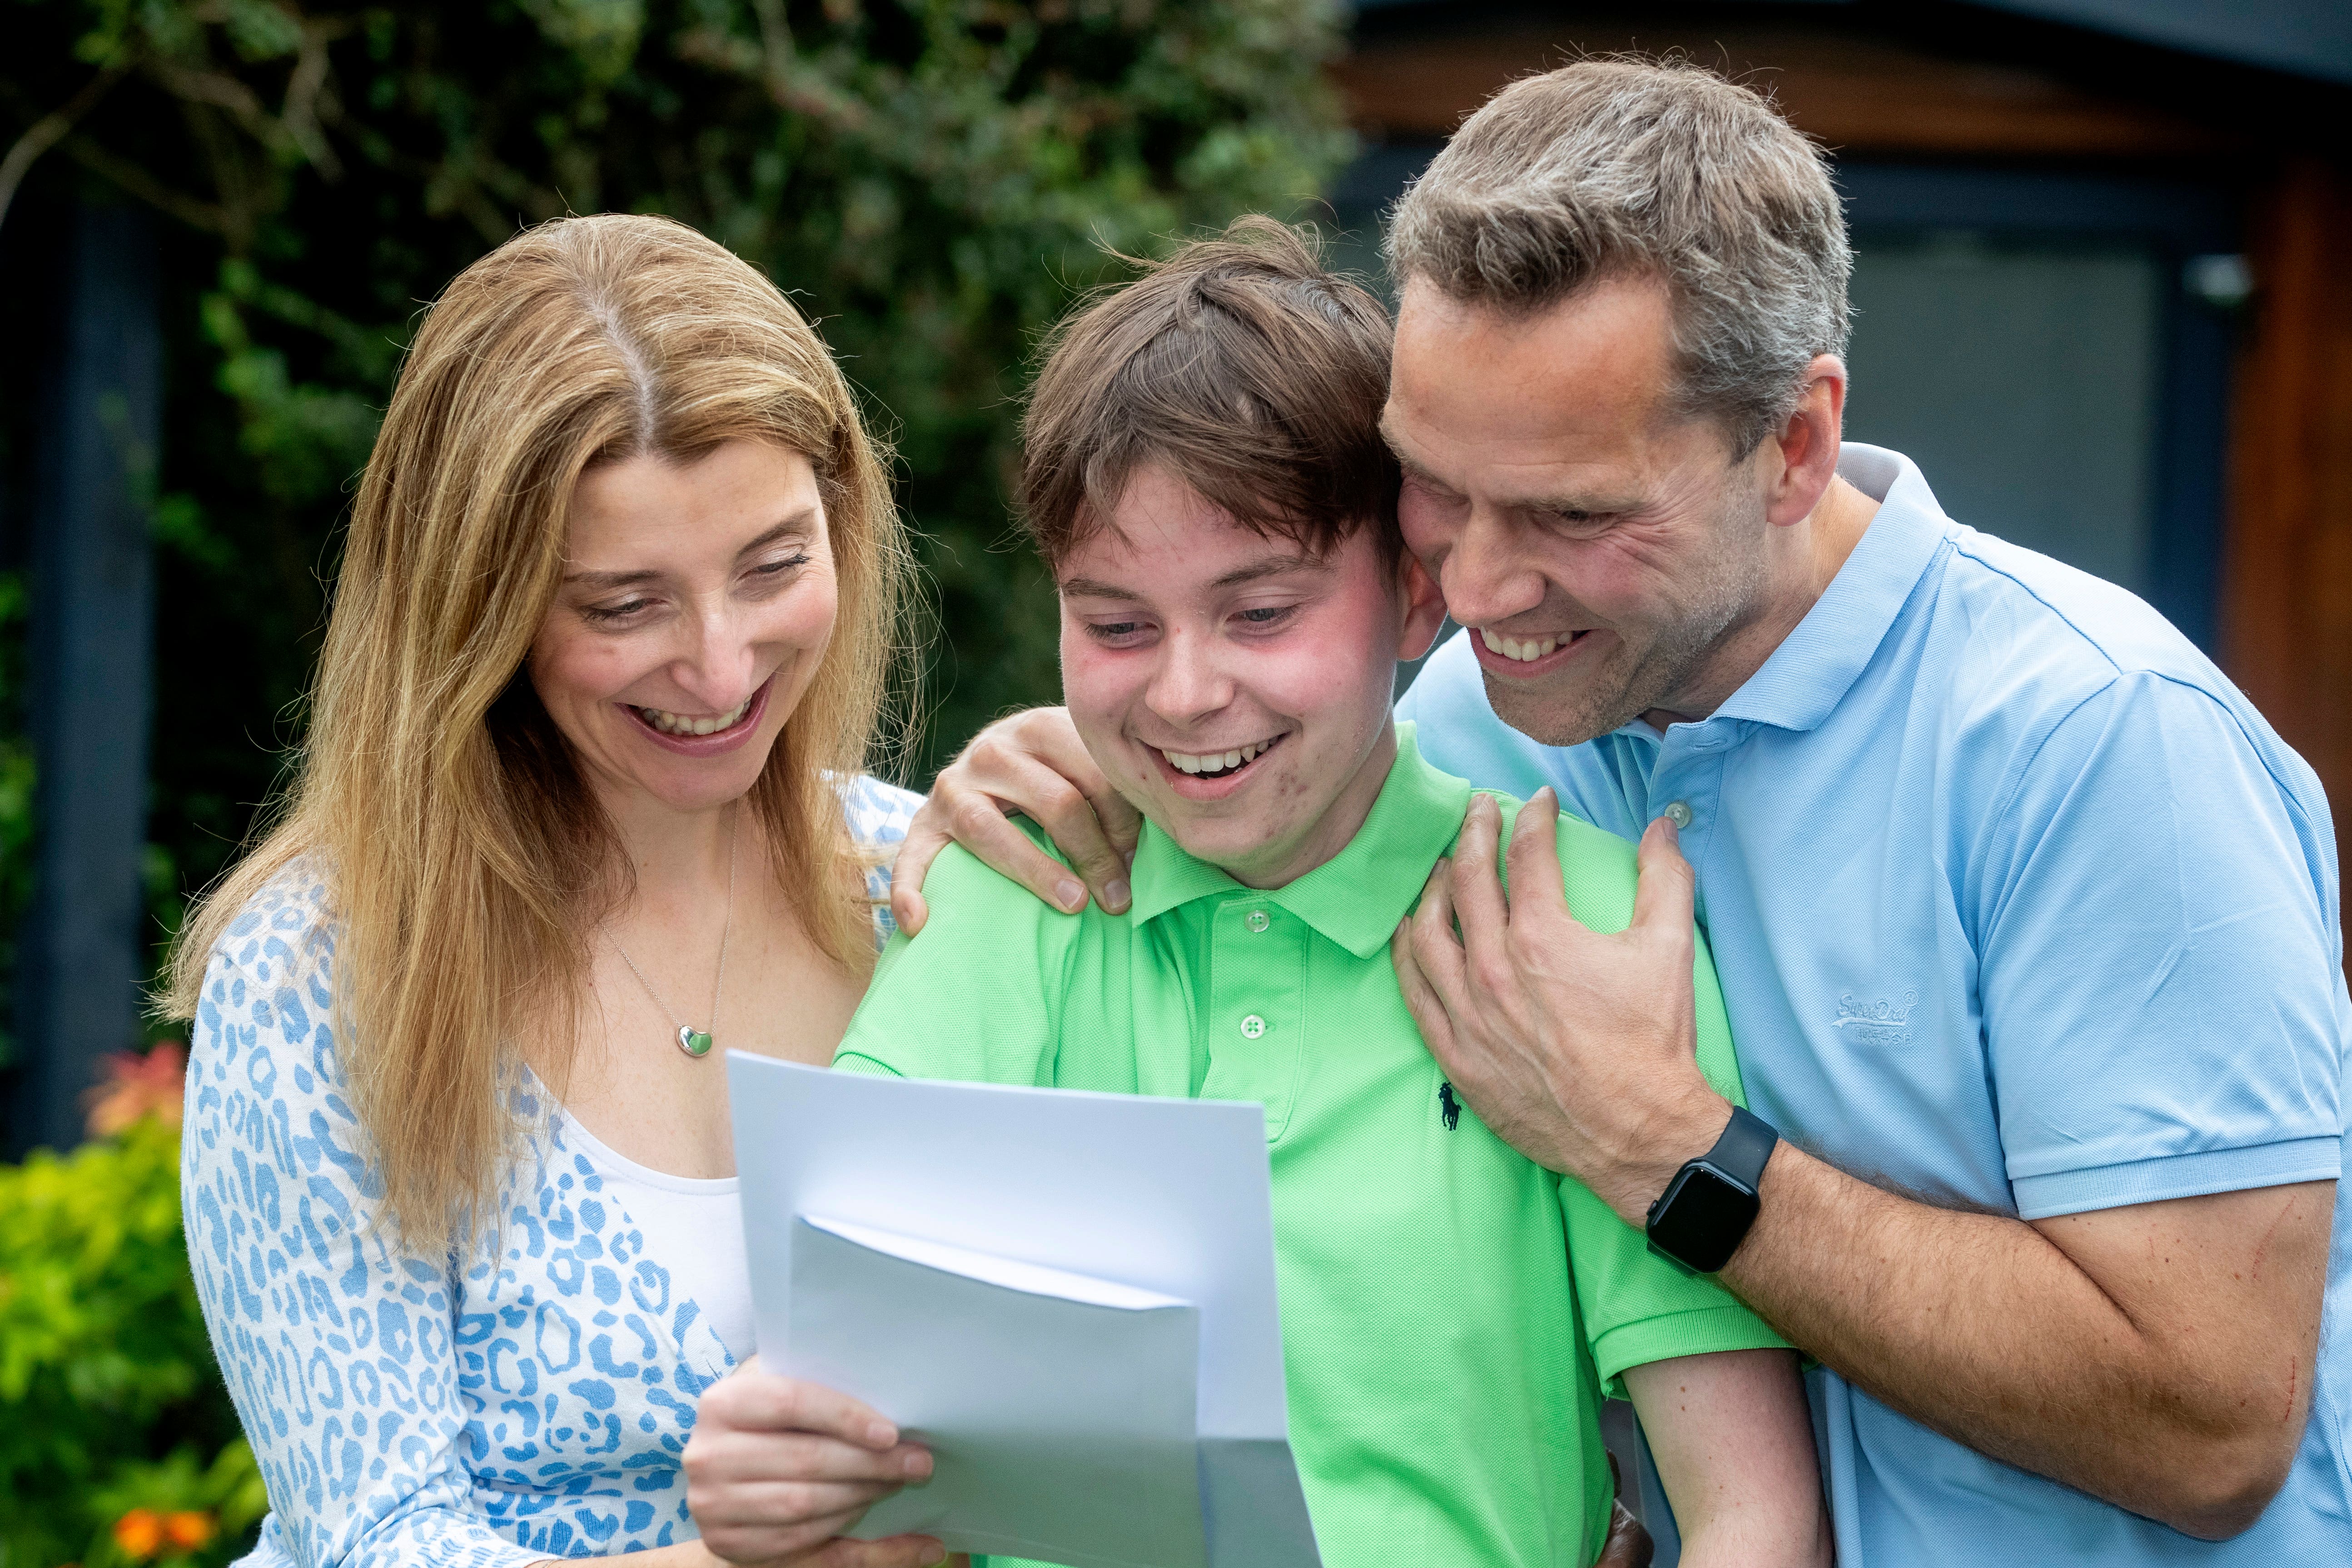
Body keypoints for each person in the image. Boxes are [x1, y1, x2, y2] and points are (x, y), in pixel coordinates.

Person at [897, 60, 2352, 1567]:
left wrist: (1662, 1143)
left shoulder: (2101, 745)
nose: (1470, 587)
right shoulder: (1480, 714)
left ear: (1790, 445)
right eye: (1435, 489)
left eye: (1572, 514)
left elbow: (2214, 1428)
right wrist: (1069, 761)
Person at [690, 221, 1830, 1568]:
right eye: (1115, 624)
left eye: (1260, 612)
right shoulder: (1013, 897)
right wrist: (774, 1480)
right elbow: (850, 1419)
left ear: (1418, 597)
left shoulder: (1574, 927)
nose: (1181, 691)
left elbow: (1751, 1517)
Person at [169, 214, 951, 1568]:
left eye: (773, 567)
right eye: (623, 603)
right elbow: (375, 1536)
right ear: (478, 606)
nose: (718, 669)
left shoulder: (925, 889)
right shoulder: (321, 975)